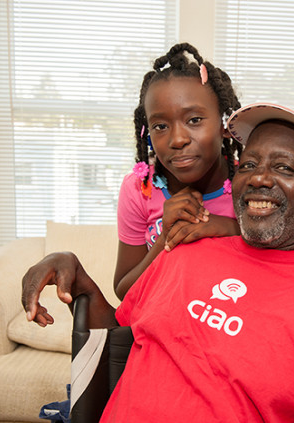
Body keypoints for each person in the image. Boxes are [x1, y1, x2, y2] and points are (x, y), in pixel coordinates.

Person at [22, 103, 294, 422]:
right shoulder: (187, 249)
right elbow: (120, 339)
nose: (259, 178)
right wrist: (79, 276)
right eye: (249, 165)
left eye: (284, 168)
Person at [114, 42, 242, 300]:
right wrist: (166, 239)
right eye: (160, 126)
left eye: (194, 120)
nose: (178, 139)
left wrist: (230, 229)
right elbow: (124, 292)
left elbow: (277, 276)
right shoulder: (140, 189)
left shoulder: (249, 184)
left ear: (225, 124)